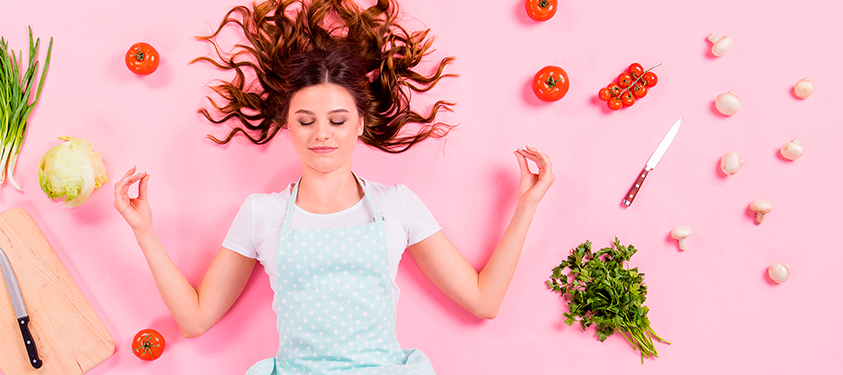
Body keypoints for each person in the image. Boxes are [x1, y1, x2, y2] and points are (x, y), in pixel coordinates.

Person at [111, 0, 555, 373]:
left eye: (337, 120)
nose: (322, 133)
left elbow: (483, 301)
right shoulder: (261, 213)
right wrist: (143, 231)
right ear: (287, 125)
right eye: (306, 121)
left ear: (360, 123)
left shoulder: (398, 206)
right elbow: (194, 319)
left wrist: (526, 206)